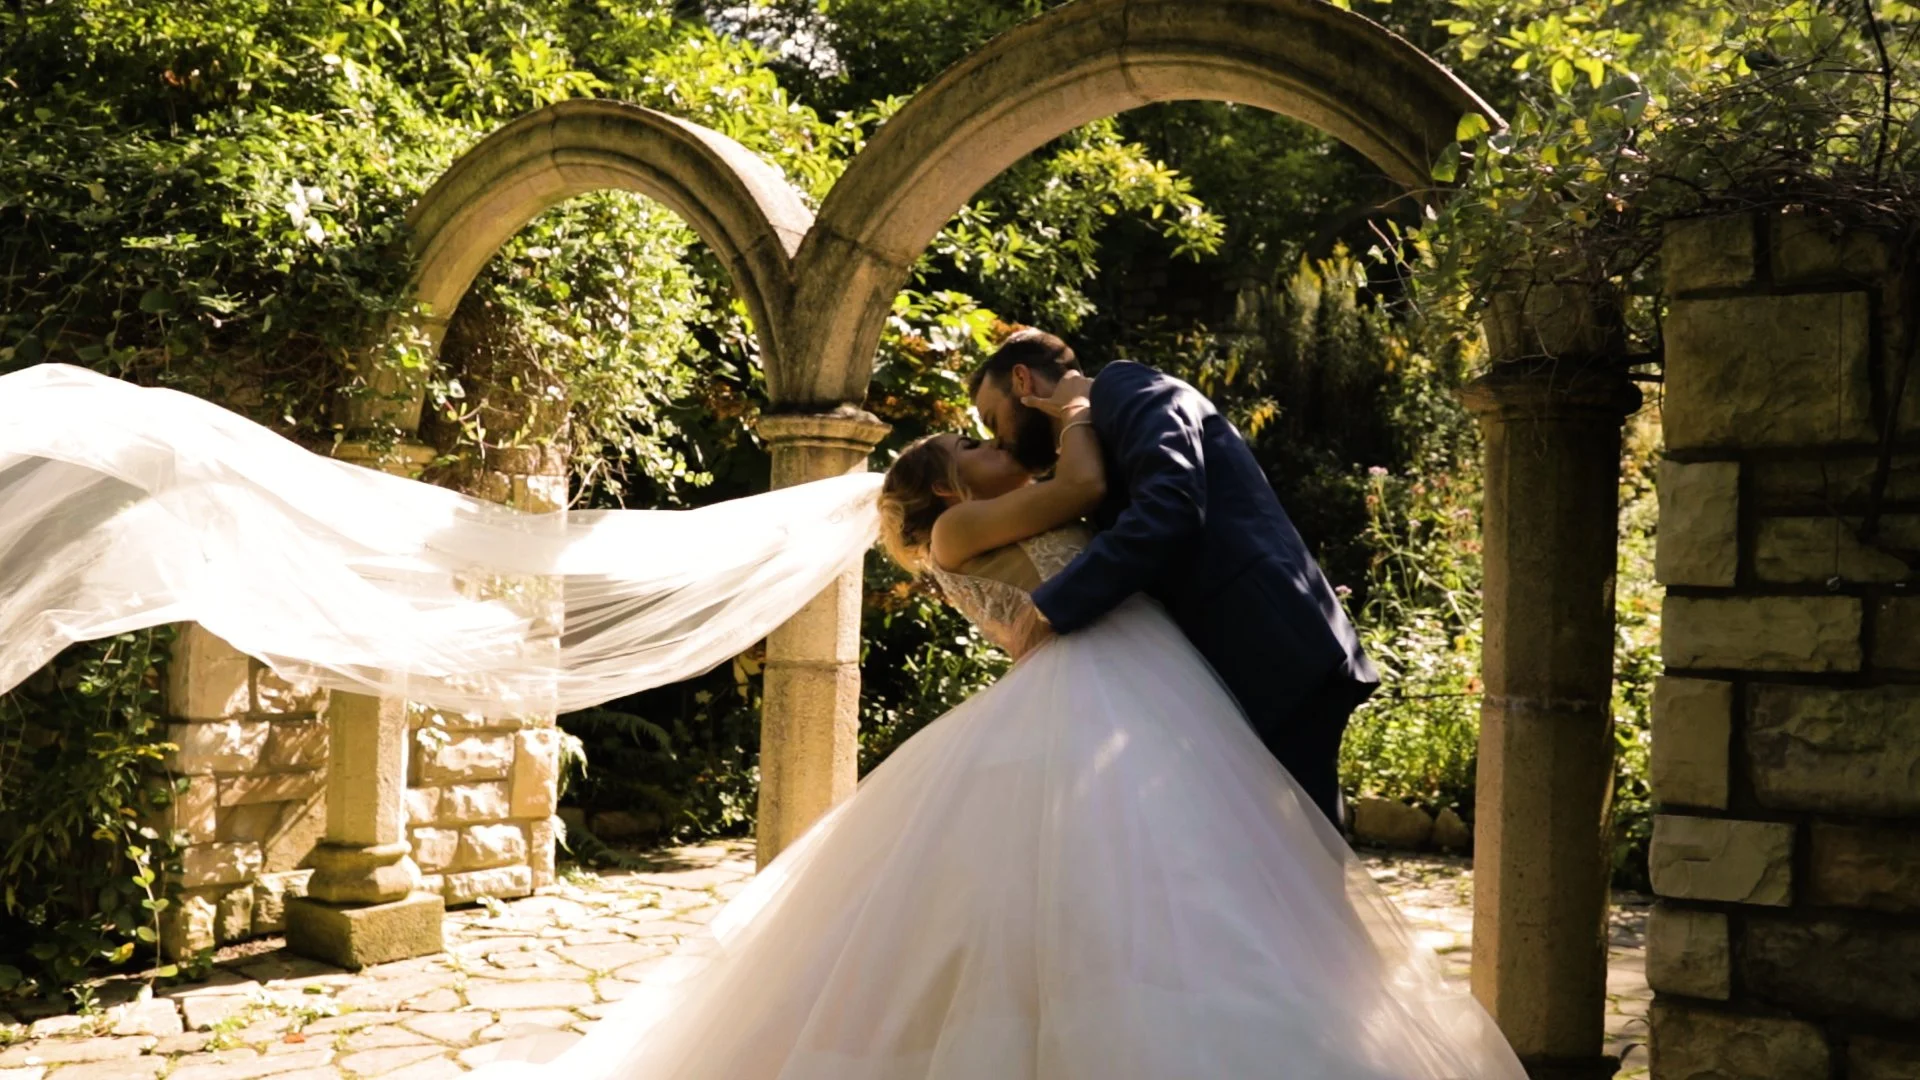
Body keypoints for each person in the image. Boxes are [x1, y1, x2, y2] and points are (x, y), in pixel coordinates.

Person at [463, 385, 1523, 1079]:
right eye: (970, 448)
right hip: (1099, 685)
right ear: (944, 485)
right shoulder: (962, 529)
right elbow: (1088, 487)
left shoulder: (977, 516)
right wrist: (1072, 407)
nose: (986, 452)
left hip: (1141, 675)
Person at [969, 328, 1377, 825]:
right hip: (1240, 658)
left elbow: (1171, 508)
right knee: (1270, 862)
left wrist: (1050, 608)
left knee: (1305, 857)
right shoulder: (1093, 431)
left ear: (1021, 379)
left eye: (994, 420)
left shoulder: (1124, 386)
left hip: (1271, 646)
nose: (999, 441)